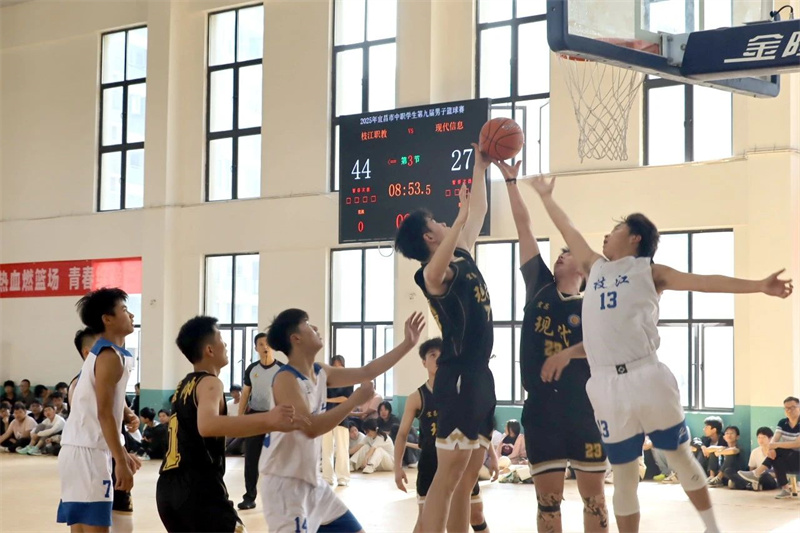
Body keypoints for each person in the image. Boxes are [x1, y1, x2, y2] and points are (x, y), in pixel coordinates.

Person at [529, 174, 793, 533]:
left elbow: (706, 281)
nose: (606, 235)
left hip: (646, 375)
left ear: (635, 237)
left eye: (616, 228)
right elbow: (568, 228)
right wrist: (546, 197)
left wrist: (759, 286)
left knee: (680, 458)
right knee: (623, 476)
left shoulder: (649, 272)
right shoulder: (595, 266)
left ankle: (712, 528)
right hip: (605, 384)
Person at [495, 159, 608, 531]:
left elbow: (607, 348)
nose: (560, 254)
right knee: (548, 503)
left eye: (567, 252)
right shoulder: (539, 286)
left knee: (595, 500)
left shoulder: (596, 304)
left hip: (586, 410)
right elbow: (524, 227)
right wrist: (511, 182)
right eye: (559, 252)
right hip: (543, 410)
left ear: (584, 268)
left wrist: (569, 354)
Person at [395, 143, 496, 533]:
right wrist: (458, 220)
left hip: (480, 374)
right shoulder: (430, 274)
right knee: (448, 475)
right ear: (429, 235)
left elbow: (479, 211)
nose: (443, 222)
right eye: (436, 222)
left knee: (468, 478)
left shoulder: (461, 254)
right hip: (458, 377)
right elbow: (436, 274)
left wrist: (480, 167)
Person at [259, 308, 425, 533]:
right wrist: (353, 401)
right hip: (285, 485)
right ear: (296, 338)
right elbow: (310, 428)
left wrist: (408, 344)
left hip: (312, 483)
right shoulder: (286, 379)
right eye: (307, 324)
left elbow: (367, 371)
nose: (315, 328)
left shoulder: (320, 371)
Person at [156, 315, 304, 532]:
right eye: (221, 340)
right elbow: (207, 425)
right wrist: (270, 419)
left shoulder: (183, 385)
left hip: (167, 488)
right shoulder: (211, 382)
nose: (225, 345)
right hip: (197, 488)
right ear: (209, 350)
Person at [57, 288, 142, 532]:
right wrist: (120, 460)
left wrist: (121, 452)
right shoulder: (108, 357)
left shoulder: (113, 354)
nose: (131, 315)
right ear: (107, 319)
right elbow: (103, 413)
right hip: (88, 453)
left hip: (83, 450)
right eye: (124, 310)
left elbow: (107, 412)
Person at [394, 337, 497, 533]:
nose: (438, 359)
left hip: (460, 460)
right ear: (424, 362)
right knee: (426, 522)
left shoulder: (460, 390)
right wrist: (397, 467)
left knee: (476, 514)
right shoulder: (417, 397)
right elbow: (401, 435)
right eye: (432, 355)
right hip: (431, 462)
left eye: (442, 355)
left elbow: (475, 427)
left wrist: (492, 455)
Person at [237, 332, 284, 510]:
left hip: (275, 418)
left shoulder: (282, 369)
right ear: (256, 348)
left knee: (278, 460)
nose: (265, 347)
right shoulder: (252, 369)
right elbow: (245, 394)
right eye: (261, 344)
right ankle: (249, 497)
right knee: (251, 459)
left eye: (268, 344)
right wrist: (240, 418)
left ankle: (279, 498)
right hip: (255, 417)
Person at [739, 396, 800, 499]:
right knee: (775, 456)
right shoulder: (782, 423)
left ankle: (756, 473)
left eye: (793, 407)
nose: (789, 410)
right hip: (789, 459)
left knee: (778, 450)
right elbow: (774, 439)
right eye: (787, 408)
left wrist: (776, 446)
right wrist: (771, 448)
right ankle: (785, 489)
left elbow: (797, 443)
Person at [322, 355, 354, 487]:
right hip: (326, 418)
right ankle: (327, 477)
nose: (337, 368)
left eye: (340, 365)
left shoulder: (348, 380)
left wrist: (327, 400)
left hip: (341, 418)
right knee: (326, 449)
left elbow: (345, 399)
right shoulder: (326, 381)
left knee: (342, 449)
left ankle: (343, 477)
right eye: (334, 365)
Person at [732, 427, 778, 491]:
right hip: (756, 477)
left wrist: (766, 474)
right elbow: (751, 470)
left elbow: (781, 473)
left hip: (771, 479)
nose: (761, 440)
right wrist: (757, 474)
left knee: (765, 476)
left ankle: (745, 484)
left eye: (763, 437)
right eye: (759, 437)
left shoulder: (776, 452)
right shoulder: (755, 451)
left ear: (770, 438)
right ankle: (752, 485)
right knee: (731, 471)